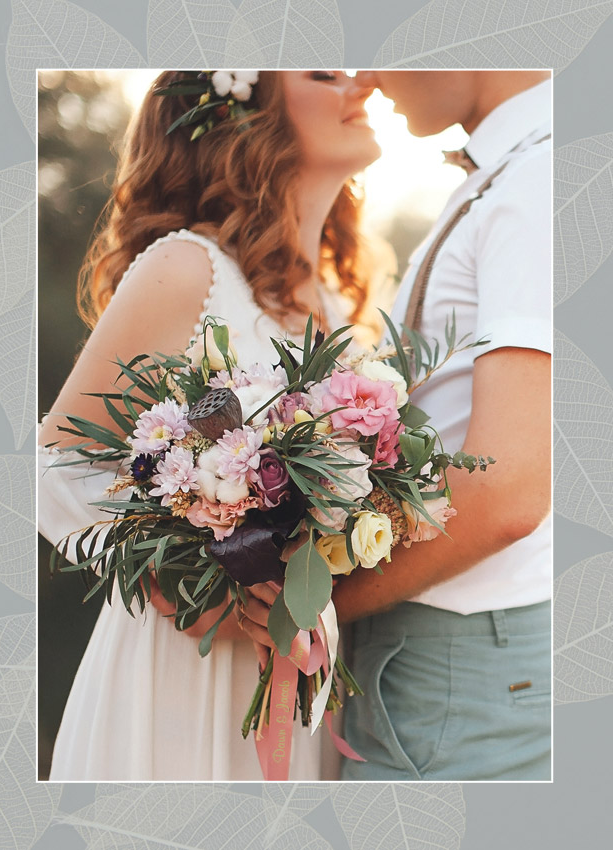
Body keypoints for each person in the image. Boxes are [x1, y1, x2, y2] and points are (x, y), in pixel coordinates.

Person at [38, 69, 382, 781]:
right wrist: (184, 587)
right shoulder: (188, 269)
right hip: (183, 672)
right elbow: (52, 464)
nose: (362, 84)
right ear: (244, 114)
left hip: (300, 673)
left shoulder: (338, 307)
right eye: (322, 74)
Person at [240, 71, 552, 781]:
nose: (369, 76)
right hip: (445, 656)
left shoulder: (534, 182)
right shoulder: (506, 176)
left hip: (456, 663)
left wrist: (311, 606)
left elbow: (509, 493)